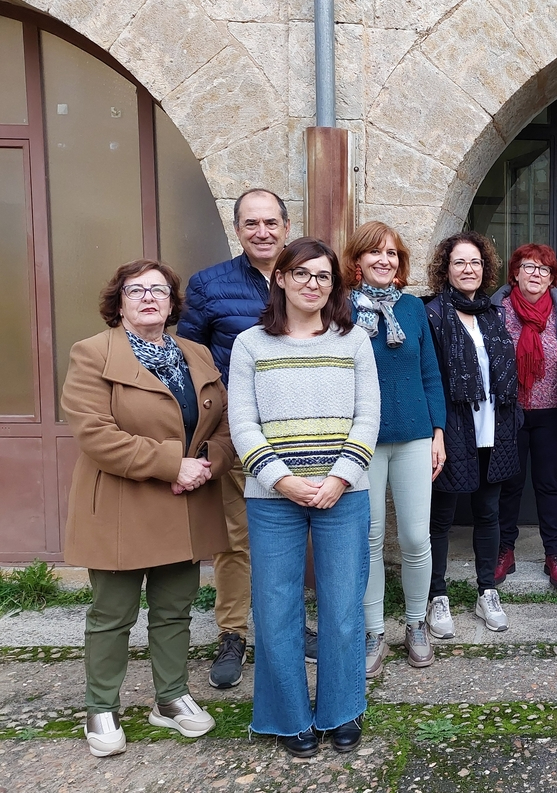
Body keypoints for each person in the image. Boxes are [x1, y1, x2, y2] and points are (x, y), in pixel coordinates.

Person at [62, 260, 233, 757]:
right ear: (119, 303)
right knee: (112, 613)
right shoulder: (93, 353)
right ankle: (101, 707)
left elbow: (225, 423)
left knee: (174, 609)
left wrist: (208, 463)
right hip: (122, 504)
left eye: (159, 290)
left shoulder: (196, 353)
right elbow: (96, 434)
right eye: (136, 290)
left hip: (187, 502)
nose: (148, 298)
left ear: (173, 302)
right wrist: (171, 465)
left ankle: (171, 697)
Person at [227, 237, 379, 757]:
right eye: (302, 273)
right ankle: (287, 716)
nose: (313, 284)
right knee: (275, 609)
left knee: (342, 607)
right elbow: (242, 423)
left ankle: (342, 710)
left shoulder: (354, 341)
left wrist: (340, 477)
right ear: (281, 278)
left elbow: (368, 416)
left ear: (334, 285)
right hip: (272, 498)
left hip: (344, 492)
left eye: (323, 276)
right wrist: (281, 479)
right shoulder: (250, 344)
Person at [177, 188, 306, 687]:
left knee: (292, 534)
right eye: (251, 223)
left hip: (299, 432)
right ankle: (232, 633)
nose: (262, 232)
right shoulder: (210, 285)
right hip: (236, 434)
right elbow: (189, 360)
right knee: (236, 539)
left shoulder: (307, 277)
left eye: (271, 222)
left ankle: (292, 625)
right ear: (237, 230)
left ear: (286, 226)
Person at [346, 221, 446, 675]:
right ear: (358, 260)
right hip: (361, 441)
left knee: (415, 538)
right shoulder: (340, 308)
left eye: (391, 253)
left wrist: (438, 433)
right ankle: (374, 631)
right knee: (369, 538)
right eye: (374, 252)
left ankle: (415, 623)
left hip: (413, 435)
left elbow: (430, 373)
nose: (383, 260)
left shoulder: (412, 308)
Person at [424, 231, 521, 637]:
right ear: (446, 269)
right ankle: (437, 596)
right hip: (452, 429)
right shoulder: (432, 314)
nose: (469, 269)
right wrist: (436, 432)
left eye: (476, 262)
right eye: (460, 262)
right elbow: (429, 378)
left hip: (493, 428)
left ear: (485, 268)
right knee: (441, 518)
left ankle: (487, 591)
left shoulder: (494, 314)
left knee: (488, 513)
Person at [492, 244, 557, 590]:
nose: (536, 274)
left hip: (551, 414)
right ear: (515, 273)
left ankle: (552, 554)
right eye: (528, 267)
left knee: (549, 486)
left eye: (544, 269)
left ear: (552, 278)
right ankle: (505, 550)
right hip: (509, 414)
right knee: (509, 485)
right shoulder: (496, 310)